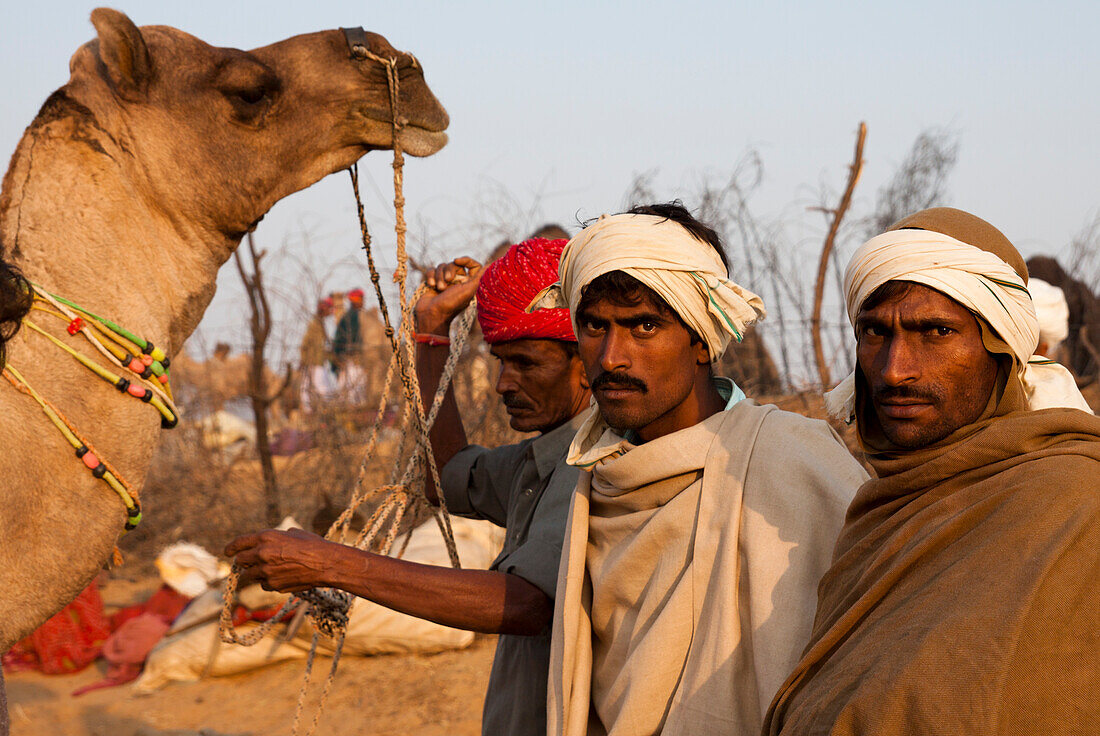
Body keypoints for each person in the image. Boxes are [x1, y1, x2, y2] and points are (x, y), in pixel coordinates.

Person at [226, 237, 591, 736]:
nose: (504, 383)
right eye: (502, 361)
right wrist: (432, 330)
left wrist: (332, 563)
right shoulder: (540, 460)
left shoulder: (594, 462)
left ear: (588, 364)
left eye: (526, 362)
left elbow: (527, 604)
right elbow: (447, 478)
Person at [533, 203, 868, 736]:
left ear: (700, 338)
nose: (612, 356)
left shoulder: (796, 461)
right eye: (595, 326)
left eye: (644, 325)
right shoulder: (593, 476)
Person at [764, 207, 1100, 736]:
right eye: (874, 332)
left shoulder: (1074, 501)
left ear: (1002, 349)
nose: (895, 369)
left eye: (936, 332)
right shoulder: (878, 507)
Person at [297, 296, 338, 413]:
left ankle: (318, 411)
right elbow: (305, 344)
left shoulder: (320, 324)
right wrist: (304, 360)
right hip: (313, 363)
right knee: (318, 389)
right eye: (329, 309)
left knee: (313, 389)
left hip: (318, 362)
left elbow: (321, 348)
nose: (330, 312)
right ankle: (314, 412)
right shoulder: (315, 325)